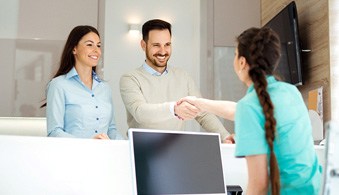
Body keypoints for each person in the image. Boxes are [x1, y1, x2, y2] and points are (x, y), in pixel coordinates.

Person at [179, 27, 322, 194]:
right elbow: (242, 111)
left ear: (242, 62)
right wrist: (199, 103)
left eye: (235, 54)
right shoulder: (291, 92)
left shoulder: (250, 106)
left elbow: (258, 186)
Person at [119, 19, 231, 142]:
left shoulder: (183, 77)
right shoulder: (130, 79)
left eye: (167, 44)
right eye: (156, 45)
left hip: (175, 149)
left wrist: (225, 136)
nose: (163, 51)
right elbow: (140, 113)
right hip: (141, 150)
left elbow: (202, 113)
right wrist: (174, 109)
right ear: (143, 45)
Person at [42, 25, 122, 140]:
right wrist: (87, 143)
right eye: (89, 45)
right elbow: (54, 132)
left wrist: (126, 146)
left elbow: (111, 129)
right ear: (74, 49)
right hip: (74, 155)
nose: (96, 50)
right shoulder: (58, 85)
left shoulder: (105, 88)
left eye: (98, 45)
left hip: (104, 155)